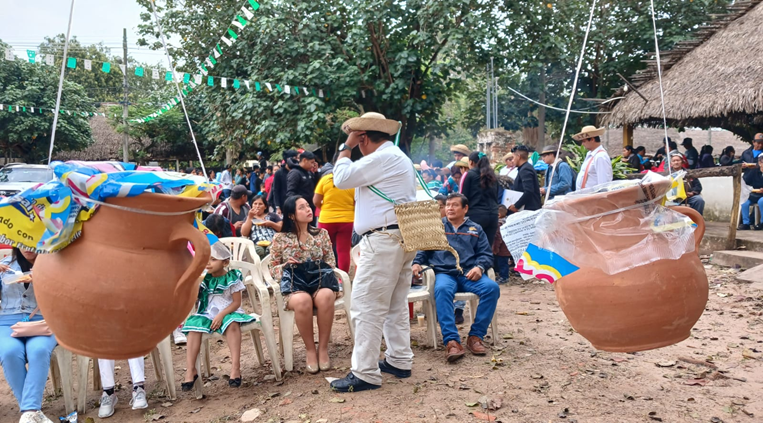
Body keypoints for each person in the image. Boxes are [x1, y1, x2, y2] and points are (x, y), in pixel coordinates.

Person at [330, 112, 417, 392]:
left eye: (358, 139)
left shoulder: (382, 158)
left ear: (363, 138)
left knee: (366, 306)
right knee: (394, 304)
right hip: (398, 236)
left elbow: (340, 177)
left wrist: (347, 145)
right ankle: (399, 359)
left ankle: (365, 373)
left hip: (383, 240)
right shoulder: (396, 156)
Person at [412, 194, 500, 362]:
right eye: (447, 205)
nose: (449, 208)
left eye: (454, 205)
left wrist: (479, 267)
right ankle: (451, 341)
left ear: (465, 209)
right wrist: (416, 263)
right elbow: (422, 251)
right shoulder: (436, 227)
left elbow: (486, 255)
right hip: (445, 273)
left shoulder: (475, 229)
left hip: (468, 274)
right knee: (442, 289)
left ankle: (475, 336)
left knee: (492, 288)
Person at [270, 196, 338, 373]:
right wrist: (285, 266)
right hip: (295, 284)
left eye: (308, 206)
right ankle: (310, 350)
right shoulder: (280, 238)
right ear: (291, 215)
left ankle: (322, 349)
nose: (308, 209)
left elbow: (331, 261)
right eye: (302, 207)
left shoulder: (321, 234)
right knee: (302, 301)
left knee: (326, 296)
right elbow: (272, 268)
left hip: (319, 281)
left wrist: (319, 266)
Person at [181, 243, 256, 390]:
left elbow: (236, 302)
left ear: (225, 262)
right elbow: (193, 298)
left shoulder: (231, 277)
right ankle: (191, 369)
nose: (208, 263)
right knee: (193, 327)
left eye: (213, 259)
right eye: (206, 259)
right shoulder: (203, 279)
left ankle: (235, 367)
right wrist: (195, 284)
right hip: (208, 312)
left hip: (229, 311)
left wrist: (222, 314)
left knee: (232, 324)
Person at [0, 248, 58, 423]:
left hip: (43, 322)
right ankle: (32, 412)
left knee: (38, 350)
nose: (27, 248)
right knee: (10, 353)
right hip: (7, 321)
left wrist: (45, 281)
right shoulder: (6, 266)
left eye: (31, 243)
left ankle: (29, 411)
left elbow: (67, 296)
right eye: (23, 243)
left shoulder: (55, 265)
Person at [314, 170, 355, 273]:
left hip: (326, 219)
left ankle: (325, 276)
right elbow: (356, 202)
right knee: (343, 251)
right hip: (347, 220)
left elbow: (316, 201)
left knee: (324, 250)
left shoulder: (325, 179)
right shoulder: (353, 181)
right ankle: (343, 280)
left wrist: (324, 207)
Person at [461, 152, 500, 245]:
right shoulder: (493, 176)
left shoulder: (469, 175)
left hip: (475, 216)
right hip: (493, 216)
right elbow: (497, 195)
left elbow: (462, 197)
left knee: (471, 247)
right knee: (487, 248)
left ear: (470, 162)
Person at [573, 126, 612, 190]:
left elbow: (604, 182)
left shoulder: (600, 156)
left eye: (584, 141)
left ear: (592, 139)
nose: (583, 144)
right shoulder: (590, 154)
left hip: (593, 196)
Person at [508, 146, 542, 212]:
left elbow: (529, 191)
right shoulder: (524, 168)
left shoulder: (525, 169)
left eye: (513, 157)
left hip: (529, 209)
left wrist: (517, 205)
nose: (512, 160)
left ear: (518, 156)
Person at [269, 150, 298, 215]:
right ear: (288, 159)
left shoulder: (297, 171)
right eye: (295, 158)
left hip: (295, 203)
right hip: (283, 204)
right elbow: (275, 190)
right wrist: (277, 206)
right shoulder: (279, 173)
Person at [739, 154, 763, 230]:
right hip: (754, 193)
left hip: (762, 196)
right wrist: (749, 189)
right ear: (759, 163)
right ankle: (746, 223)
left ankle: (762, 222)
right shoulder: (754, 171)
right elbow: (745, 181)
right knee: (744, 202)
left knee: (761, 201)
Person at [493, 205, 511, 283]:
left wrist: (495, 248)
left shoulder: (499, 225)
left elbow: (498, 238)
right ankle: (503, 275)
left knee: (503, 263)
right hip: (507, 247)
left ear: (498, 215)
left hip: (502, 250)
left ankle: (504, 277)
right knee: (504, 263)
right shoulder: (507, 222)